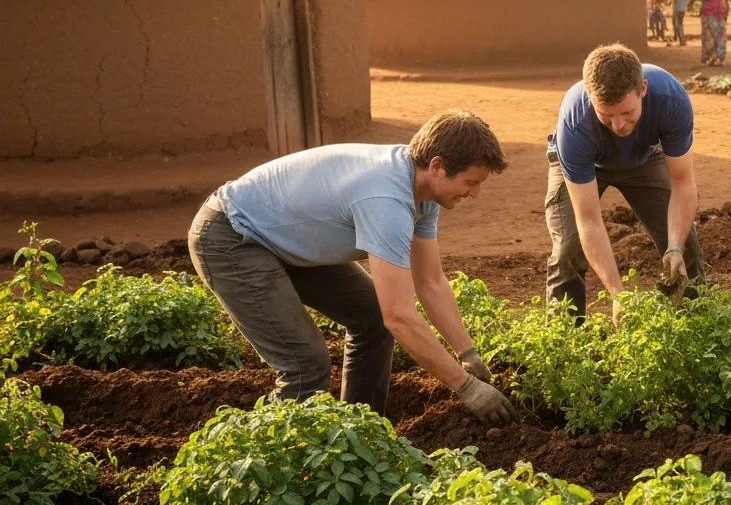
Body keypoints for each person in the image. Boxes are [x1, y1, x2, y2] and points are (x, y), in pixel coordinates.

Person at [187, 110, 516, 424]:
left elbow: (429, 281)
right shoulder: (385, 201)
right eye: (471, 182)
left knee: (370, 316)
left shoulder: (423, 193)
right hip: (233, 236)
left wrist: (467, 353)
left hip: (284, 237)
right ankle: (261, 461)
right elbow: (399, 317)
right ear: (437, 166)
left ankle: (360, 431)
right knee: (304, 363)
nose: (474, 194)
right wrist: (466, 387)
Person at [545, 45, 706, 322]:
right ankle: (564, 340)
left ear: (643, 89)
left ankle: (698, 324)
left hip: (643, 158)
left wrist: (675, 247)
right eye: (606, 115)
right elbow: (589, 221)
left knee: (684, 241)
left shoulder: (671, 99)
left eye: (627, 113)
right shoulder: (575, 122)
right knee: (568, 247)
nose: (618, 125)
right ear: (590, 97)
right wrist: (619, 296)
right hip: (587, 164)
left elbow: (683, 183)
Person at [693, 0, 730, 66]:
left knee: (709, 37)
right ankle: (717, 58)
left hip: (712, 13)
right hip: (714, 13)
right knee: (717, 36)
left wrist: (691, 2)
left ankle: (711, 57)